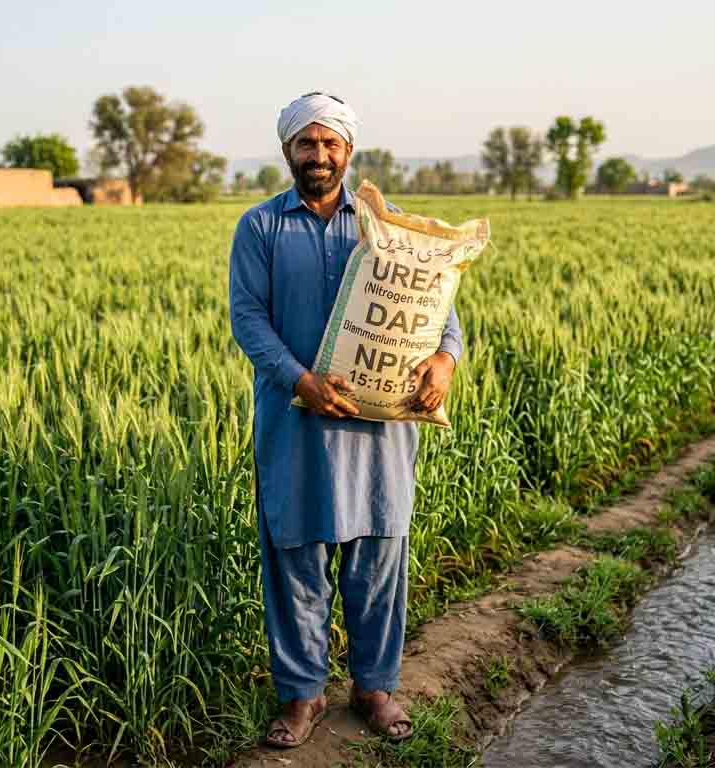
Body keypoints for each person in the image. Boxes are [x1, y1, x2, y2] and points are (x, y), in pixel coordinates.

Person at [228, 91, 462, 749]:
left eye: (331, 143)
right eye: (307, 143)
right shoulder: (261, 228)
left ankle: (374, 690)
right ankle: (302, 699)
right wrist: (300, 379)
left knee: (379, 565)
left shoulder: (388, 228)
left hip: (380, 433)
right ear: (288, 152)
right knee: (298, 564)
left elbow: (442, 314)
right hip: (296, 428)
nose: (319, 155)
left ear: (349, 151)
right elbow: (247, 318)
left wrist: (444, 362)